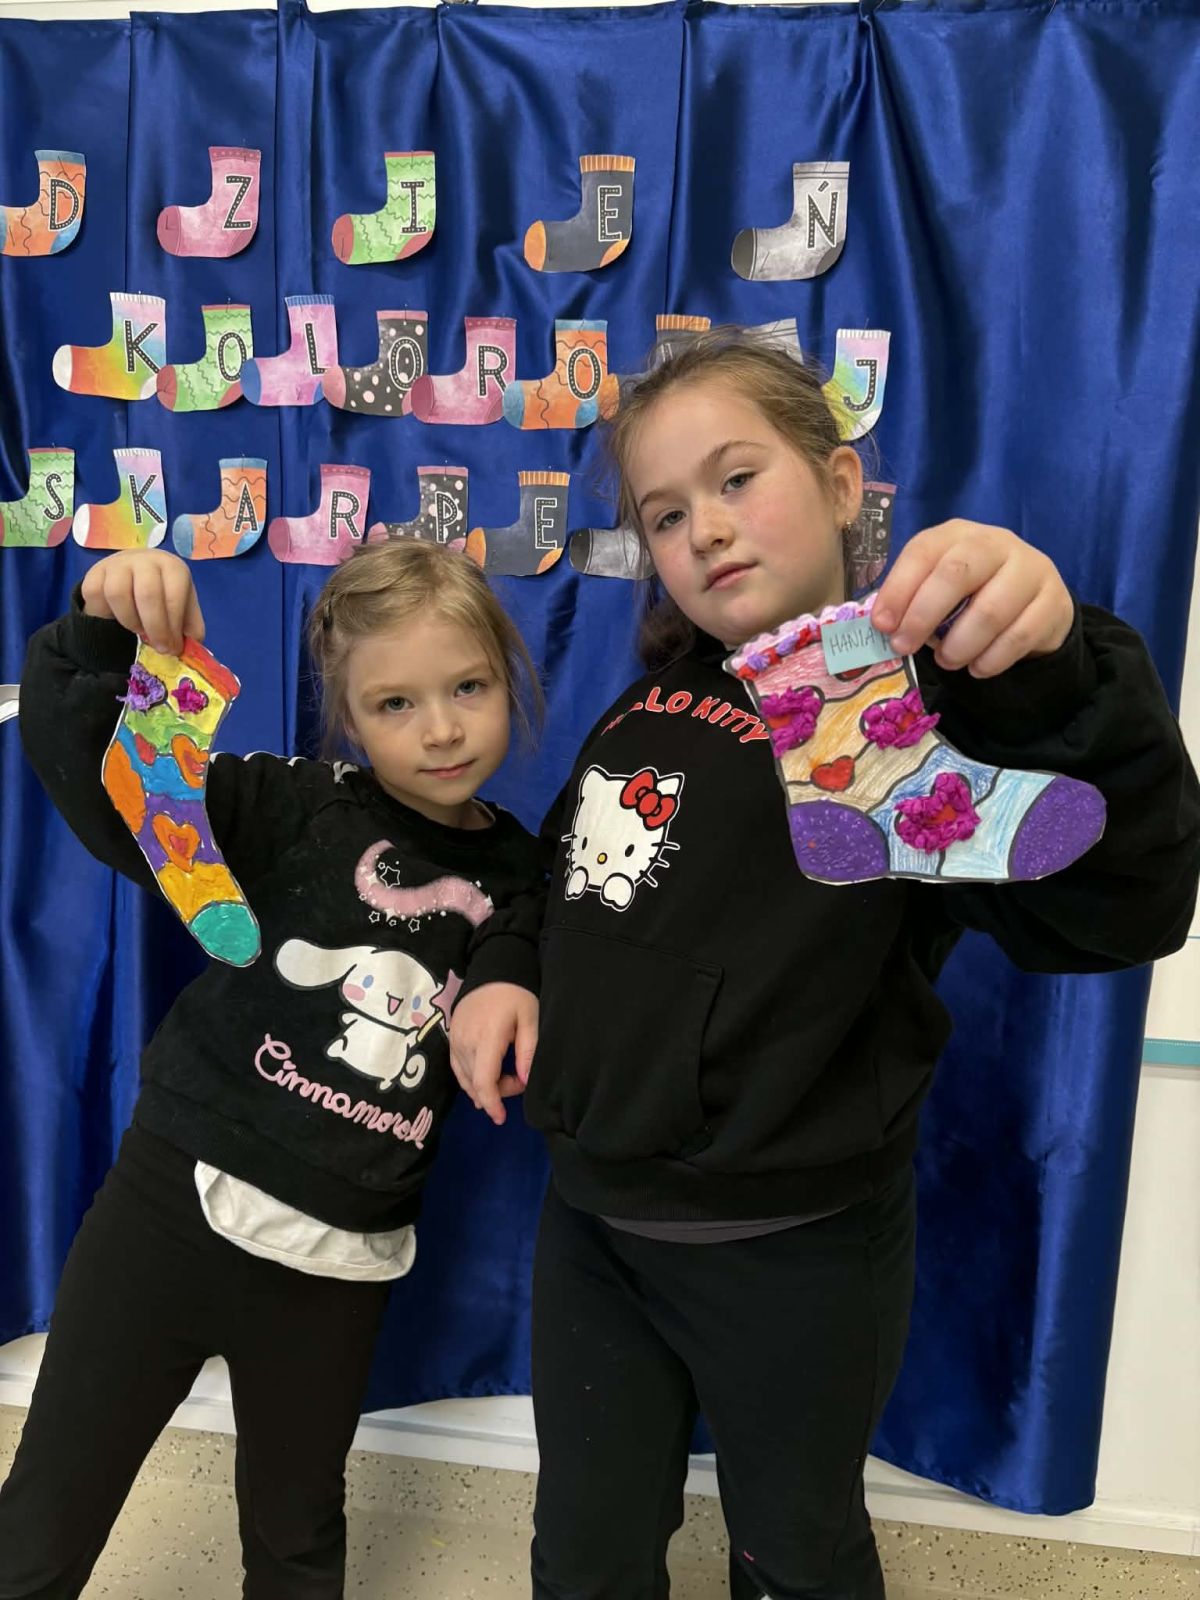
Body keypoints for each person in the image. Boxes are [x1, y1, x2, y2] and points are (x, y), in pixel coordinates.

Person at [448, 329, 1200, 1600]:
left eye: (738, 479)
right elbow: (565, 878)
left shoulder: (917, 715)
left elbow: (1127, 905)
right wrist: (512, 965)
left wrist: (1059, 673)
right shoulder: (647, 702)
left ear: (842, 483)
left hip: (795, 1250)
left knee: (795, 1551)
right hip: (594, 1225)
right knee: (583, 1547)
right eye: (666, 513)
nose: (705, 529)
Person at [3, 540, 543, 1598]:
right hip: (170, 1207)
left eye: (468, 688)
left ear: (510, 680)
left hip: (341, 1259)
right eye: (395, 703)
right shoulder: (293, 803)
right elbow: (111, 787)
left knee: (297, 1537)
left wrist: (510, 976)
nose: (440, 729)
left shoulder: (524, 873)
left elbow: (530, 939)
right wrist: (104, 637)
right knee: (50, 1506)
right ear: (348, 716)